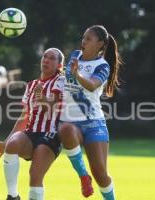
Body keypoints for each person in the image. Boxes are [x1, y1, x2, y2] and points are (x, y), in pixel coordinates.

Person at [58, 25, 121, 200]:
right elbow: (63, 81)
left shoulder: (102, 66)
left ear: (100, 44)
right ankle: (83, 176)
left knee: (101, 175)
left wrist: (77, 74)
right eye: (83, 37)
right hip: (69, 120)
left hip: (94, 123)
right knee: (65, 130)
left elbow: (92, 85)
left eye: (88, 39)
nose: (83, 41)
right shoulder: (74, 56)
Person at [0, 48, 65, 200]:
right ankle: (12, 196)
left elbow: (52, 106)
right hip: (30, 132)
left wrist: (41, 97)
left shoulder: (61, 81)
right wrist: (5, 141)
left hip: (50, 134)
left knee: (35, 175)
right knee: (11, 145)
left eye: (52, 58)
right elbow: (24, 117)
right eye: (45, 57)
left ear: (59, 65)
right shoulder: (31, 85)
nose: (46, 60)